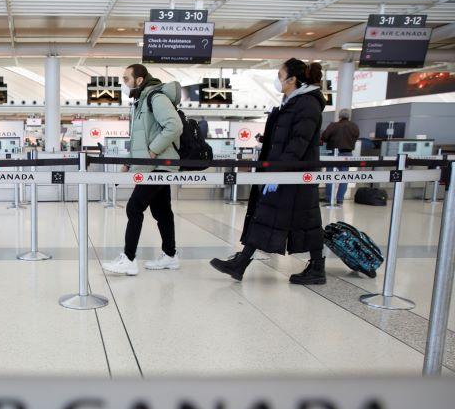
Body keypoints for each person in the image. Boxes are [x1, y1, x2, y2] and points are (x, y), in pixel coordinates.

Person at [210, 58, 327, 285]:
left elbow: (299, 142)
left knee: (300, 220)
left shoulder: (307, 104)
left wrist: (278, 172)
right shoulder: (293, 102)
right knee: (277, 217)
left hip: (294, 174)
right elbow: (288, 137)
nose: (277, 80)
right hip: (287, 172)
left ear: (293, 79)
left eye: (280, 75)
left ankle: (315, 268)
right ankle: (242, 263)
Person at [102, 64, 183, 276]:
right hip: (152, 165)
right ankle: (170, 255)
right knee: (161, 211)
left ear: (139, 80)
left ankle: (128, 258)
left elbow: (174, 125)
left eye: (126, 79)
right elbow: (139, 139)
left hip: (159, 166)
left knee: (134, 207)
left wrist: (154, 151)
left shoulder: (156, 98)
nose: (124, 83)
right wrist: (129, 162)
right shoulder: (140, 103)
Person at [321, 109, 360, 205]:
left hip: (333, 154)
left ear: (339, 116)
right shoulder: (354, 126)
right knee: (344, 177)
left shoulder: (333, 125)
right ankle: (340, 199)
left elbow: (324, 137)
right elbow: (356, 137)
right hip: (347, 154)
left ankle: (328, 198)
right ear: (349, 116)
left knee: (329, 176)